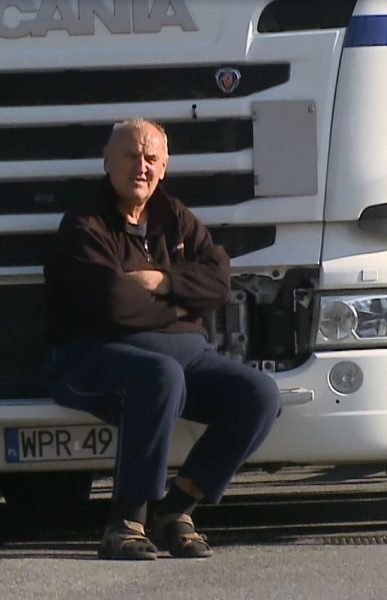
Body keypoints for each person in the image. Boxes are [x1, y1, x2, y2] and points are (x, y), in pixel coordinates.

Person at [44, 119, 280, 560]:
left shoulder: (177, 218)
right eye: (132, 156)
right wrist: (184, 307)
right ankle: (126, 521)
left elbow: (219, 283)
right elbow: (113, 303)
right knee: (160, 374)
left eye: (151, 158)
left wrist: (159, 281)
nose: (142, 166)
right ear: (107, 160)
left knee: (259, 394)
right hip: (90, 357)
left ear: (164, 166)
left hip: (189, 358)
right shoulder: (84, 224)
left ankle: (175, 510)